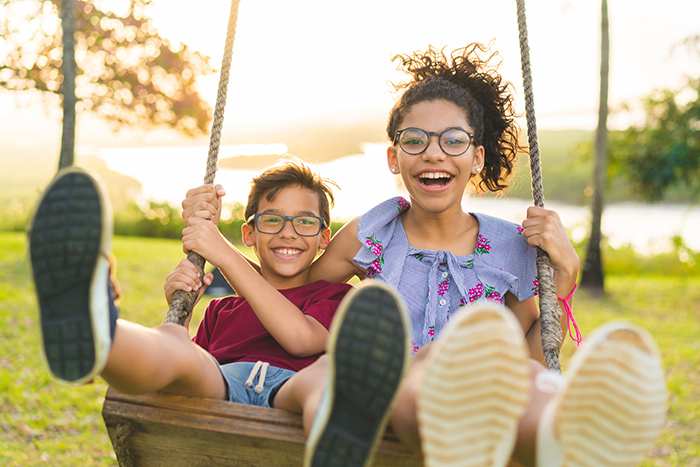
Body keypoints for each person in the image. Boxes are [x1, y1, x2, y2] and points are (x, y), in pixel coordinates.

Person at [184, 44, 667, 467]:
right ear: (394, 158)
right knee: (422, 380)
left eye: (454, 140)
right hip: (395, 400)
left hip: (481, 397)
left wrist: (563, 277)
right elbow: (288, 289)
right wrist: (211, 248)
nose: (434, 153)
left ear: (476, 157)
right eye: (415, 141)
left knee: (516, 375)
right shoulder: (374, 233)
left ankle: (566, 433)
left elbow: (532, 349)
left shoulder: (517, 248)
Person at [27, 161, 411, 467]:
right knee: (176, 345)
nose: (289, 232)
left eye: (306, 221)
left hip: (293, 390)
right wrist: (182, 309)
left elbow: (301, 338)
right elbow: (188, 371)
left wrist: (219, 249)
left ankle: (337, 435)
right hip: (223, 385)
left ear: (324, 238)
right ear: (250, 234)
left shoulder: (336, 296)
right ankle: (100, 334)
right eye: (272, 220)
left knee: (329, 375)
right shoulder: (222, 308)